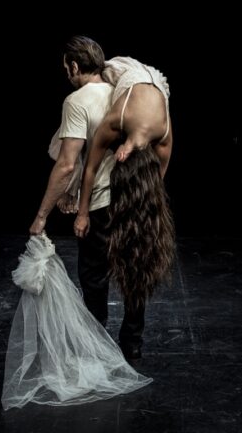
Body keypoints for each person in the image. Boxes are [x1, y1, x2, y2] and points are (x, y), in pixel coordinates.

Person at [29, 36, 140, 358]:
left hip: (101, 201)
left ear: (74, 66)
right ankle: (133, 343)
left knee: (94, 275)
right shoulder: (124, 94)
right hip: (133, 197)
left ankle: (97, 345)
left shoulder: (76, 101)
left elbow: (66, 164)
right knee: (134, 271)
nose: (67, 73)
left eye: (66, 67)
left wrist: (41, 215)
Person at [73, 56, 176, 362]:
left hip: (151, 88)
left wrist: (83, 214)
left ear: (121, 152)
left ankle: (119, 338)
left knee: (136, 261)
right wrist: (83, 212)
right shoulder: (122, 120)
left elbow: (91, 168)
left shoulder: (156, 132)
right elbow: (93, 169)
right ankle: (130, 340)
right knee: (101, 69)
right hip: (139, 79)